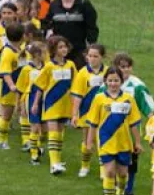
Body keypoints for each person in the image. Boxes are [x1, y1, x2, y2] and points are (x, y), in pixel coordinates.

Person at [85, 67, 143, 195]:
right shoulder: (99, 99)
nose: (113, 83)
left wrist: (137, 142)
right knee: (109, 172)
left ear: (121, 81)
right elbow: (93, 123)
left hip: (123, 142)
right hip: (106, 142)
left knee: (123, 174)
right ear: (105, 81)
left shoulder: (128, 99)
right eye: (110, 80)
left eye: (116, 80)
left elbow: (134, 123)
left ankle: (120, 193)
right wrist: (89, 142)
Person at [113, 53, 154, 195]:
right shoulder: (109, 83)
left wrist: (152, 121)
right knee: (113, 158)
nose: (125, 69)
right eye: (122, 66)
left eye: (128, 66)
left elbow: (147, 107)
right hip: (112, 129)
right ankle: (115, 186)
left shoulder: (137, 86)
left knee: (131, 160)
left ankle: (129, 189)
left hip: (131, 130)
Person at [31, 35, 77, 175]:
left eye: (65, 46)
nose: (64, 49)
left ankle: (57, 159)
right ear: (53, 50)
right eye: (60, 47)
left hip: (65, 104)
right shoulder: (49, 66)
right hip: (51, 103)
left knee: (60, 134)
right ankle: (54, 164)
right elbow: (40, 86)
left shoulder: (71, 65)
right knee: (53, 132)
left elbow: (75, 85)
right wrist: (35, 104)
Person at [70, 44, 107, 179]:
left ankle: (104, 169)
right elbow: (77, 95)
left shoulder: (107, 72)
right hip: (86, 111)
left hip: (103, 112)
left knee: (103, 140)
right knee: (87, 140)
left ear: (102, 57)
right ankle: (85, 166)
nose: (92, 59)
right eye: (90, 56)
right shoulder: (82, 73)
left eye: (95, 56)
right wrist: (74, 114)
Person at [45, 0, 98, 68]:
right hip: (59, 52)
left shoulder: (84, 4)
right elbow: (48, 24)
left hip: (79, 51)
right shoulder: (54, 5)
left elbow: (92, 28)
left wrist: (90, 49)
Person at [0, 23, 25, 152]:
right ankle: (3, 140)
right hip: (9, 90)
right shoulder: (7, 52)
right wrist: (12, 85)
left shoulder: (22, 50)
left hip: (23, 89)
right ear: (22, 36)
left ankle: (26, 141)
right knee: (7, 116)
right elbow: (5, 72)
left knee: (24, 114)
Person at [16, 42, 47, 165]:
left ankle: (37, 146)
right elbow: (20, 89)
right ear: (37, 55)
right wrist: (20, 105)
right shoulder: (26, 69)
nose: (47, 55)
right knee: (34, 127)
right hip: (31, 99)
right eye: (44, 53)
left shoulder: (47, 68)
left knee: (43, 130)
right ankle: (34, 155)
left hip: (45, 100)